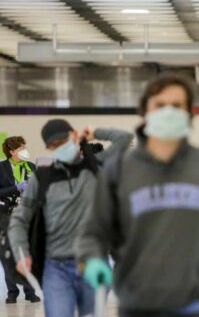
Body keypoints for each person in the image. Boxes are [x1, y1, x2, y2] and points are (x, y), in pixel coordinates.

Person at [76, 73, 199, 317]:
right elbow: (93, 233)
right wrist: (93, 258)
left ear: (190, 113)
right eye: (160, 105)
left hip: (198, 305)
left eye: (177, 106)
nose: (168, 112)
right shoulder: (119, 170)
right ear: (145, 111)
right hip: (138, 306)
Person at [8, 121, 133, 317]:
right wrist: (21, 252)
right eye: (54, 144)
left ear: (74, 136)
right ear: (49, 148)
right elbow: (20, 218)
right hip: (56, 268)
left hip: (93, 263)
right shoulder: (42, 177)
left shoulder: (95, 166)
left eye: (63, 140)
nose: (60, 147)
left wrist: (94, 133)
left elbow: (124, 139)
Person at [0, 136, 40, 303]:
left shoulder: (31, 167)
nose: (25, 150)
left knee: (28, 251)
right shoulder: (1, 168)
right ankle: (12, 292)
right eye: (21, 148)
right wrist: (15, 188)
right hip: (7, 214)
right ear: (12, 151)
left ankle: (30, 291)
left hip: (28, 214)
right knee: (9, 253)